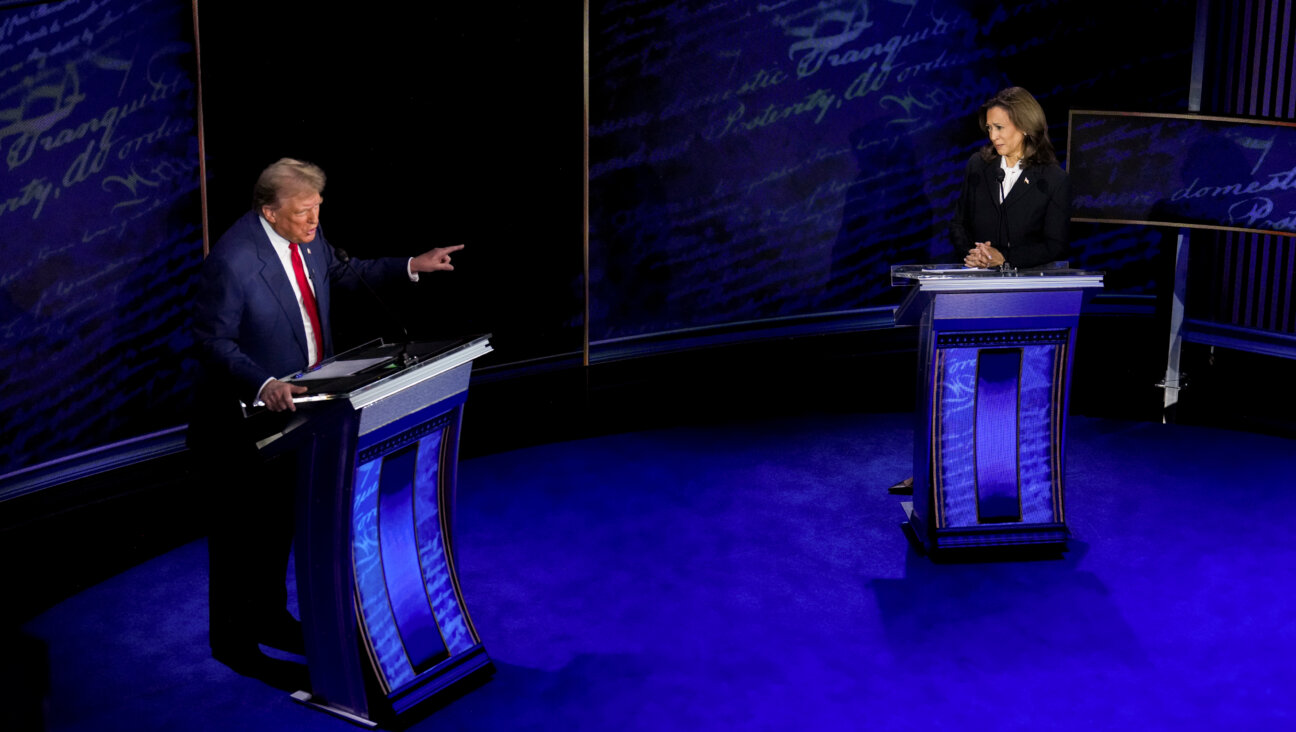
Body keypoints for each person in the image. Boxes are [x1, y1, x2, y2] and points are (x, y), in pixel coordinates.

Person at [188, 158, 462, 687]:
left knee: (276, 528)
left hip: (303, 414)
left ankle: (269, 617)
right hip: (240, 427)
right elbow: (211, 342)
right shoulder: (234, 261)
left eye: (317, 209)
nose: (314, 221)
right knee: (240, 537)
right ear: (269, 211)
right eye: (303, 212)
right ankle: (234, 643)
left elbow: (339, 272)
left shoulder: (307, 234)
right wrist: (264, 383)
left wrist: (411, 264)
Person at [952, 86, 1070, 270]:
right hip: (978, 279)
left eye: (999, 128)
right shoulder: (977, 165)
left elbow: (1055, 245)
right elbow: (959, 224)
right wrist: (972, 255)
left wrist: (1005, 258)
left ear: (1025, 126)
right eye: (989, 128)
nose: (992, 136)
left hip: (1026, 286)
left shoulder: (1052, 179)